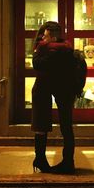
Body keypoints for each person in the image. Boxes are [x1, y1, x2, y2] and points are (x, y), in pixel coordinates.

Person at [31, 21, 77, 174]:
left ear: (52, 36)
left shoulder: (64, 48)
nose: (43, 38)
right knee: (42, 125)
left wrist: (51, 55)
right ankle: (41, 159)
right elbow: (37, 64)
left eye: (46, 35)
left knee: (65, 125)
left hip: (61, 87)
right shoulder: (54, 48)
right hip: (46, 88)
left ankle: (66, 162)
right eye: (43, 35)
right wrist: (53, 56)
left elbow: (40, 64)